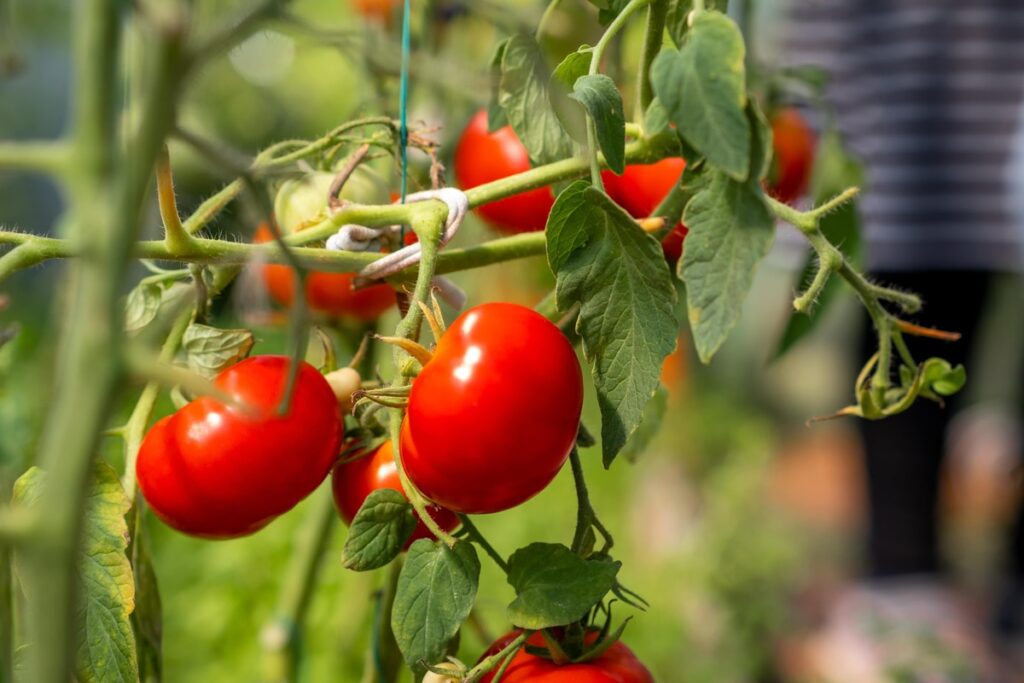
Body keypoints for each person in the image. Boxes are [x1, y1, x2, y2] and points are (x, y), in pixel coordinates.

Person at [780, 0, 1024, 679]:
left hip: (963, 66)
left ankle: (910, 587)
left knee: (921, 280)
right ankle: (905, 584)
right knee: (913, 268)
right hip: (910, 69)